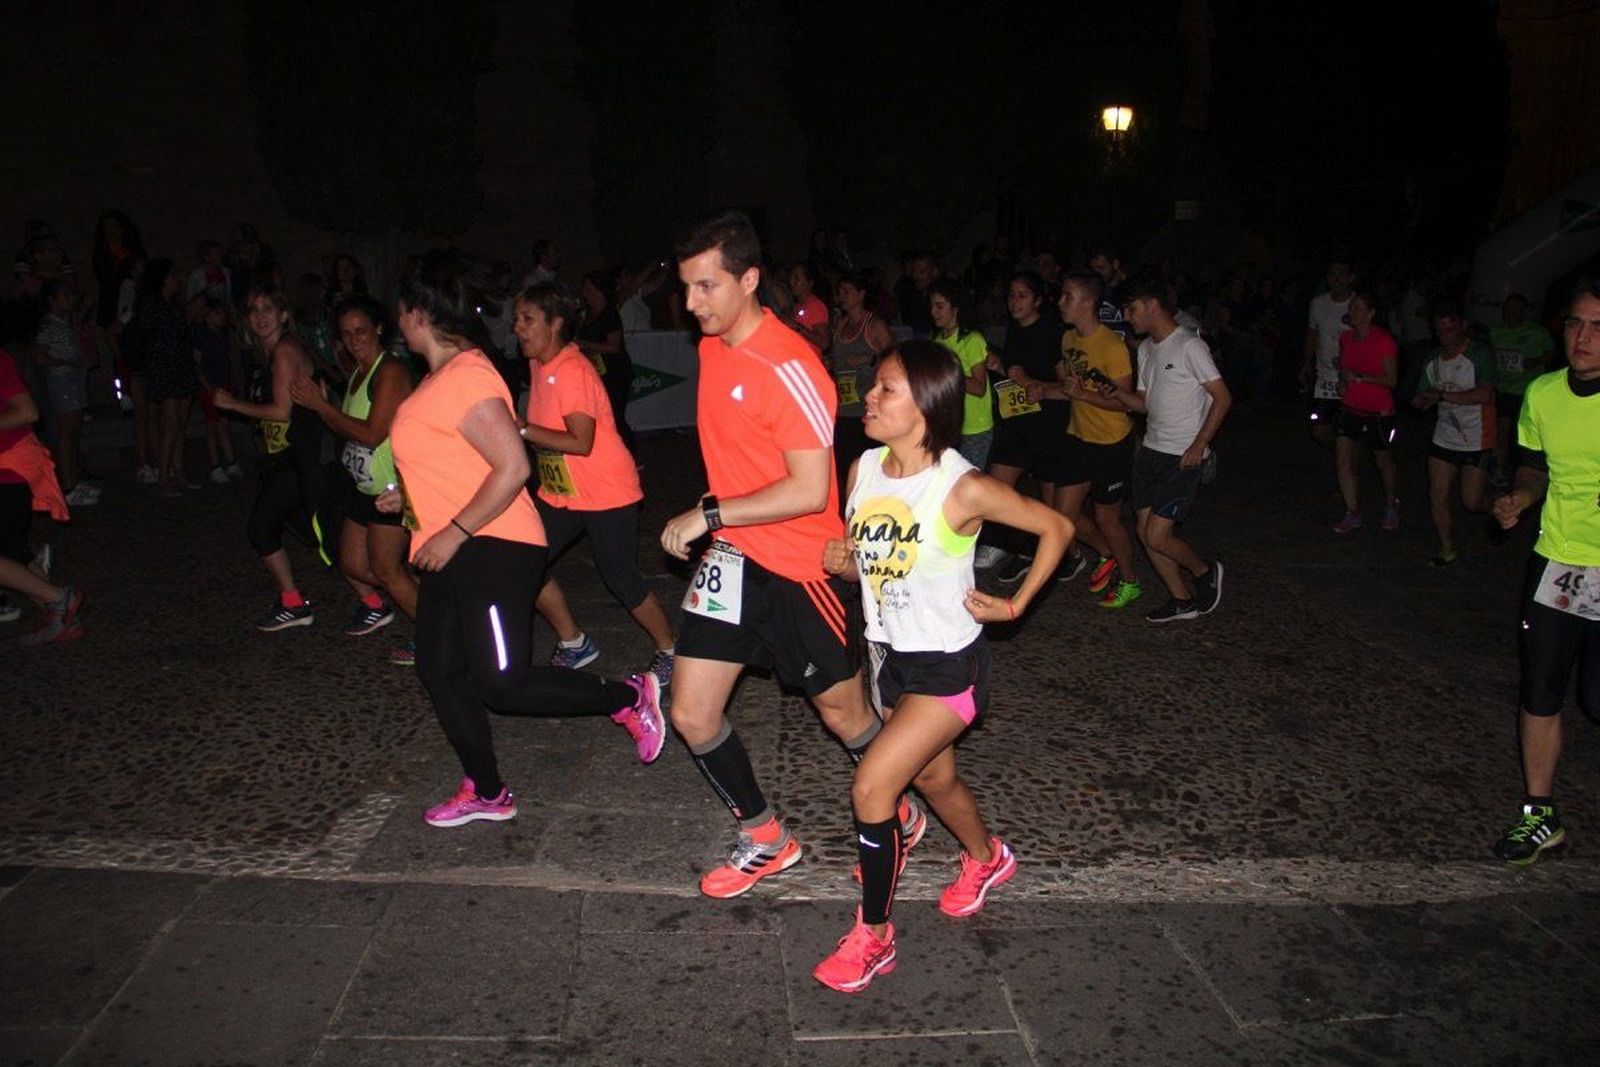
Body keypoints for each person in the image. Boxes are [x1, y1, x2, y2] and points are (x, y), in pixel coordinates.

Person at [661, 210, 923, 899]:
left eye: (707, 287)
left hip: (801, 568)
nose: (693, 305)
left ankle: (902, 800)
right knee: (690, 710)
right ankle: (767, 837)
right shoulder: (710, 348)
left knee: (846, 715)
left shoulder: (790, 362)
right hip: (735, 559)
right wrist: (718, 516)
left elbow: (810, 489)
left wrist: (710, 511)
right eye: (686, 288)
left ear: (749, 279)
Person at [812, 340, 1072, 993]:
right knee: (934, 778)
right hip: (887, 658)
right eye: (873, 386)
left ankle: (873, 936)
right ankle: (987, 857)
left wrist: (1014, 604)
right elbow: (862, 555)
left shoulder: (963, 486)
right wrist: (845, 561)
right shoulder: (864, 467)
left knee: (873, 787)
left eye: (886, 389)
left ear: (926, 406)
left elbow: (1057, 529)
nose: (868, 397)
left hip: (948, 665)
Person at [378, 249, 664, 828]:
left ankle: (630, 696)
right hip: (446, 548)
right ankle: (487, 790)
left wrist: (456, 529)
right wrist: (409, 501)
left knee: (502, 683)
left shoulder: (468, 375)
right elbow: (461, 465)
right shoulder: (443, 379)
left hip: (489, 545)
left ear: (416, 312)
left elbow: (513, 467)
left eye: (398, 311)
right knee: (438, 669)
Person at [1488, 278, 1600, 867]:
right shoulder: (1543, 393)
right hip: (1558, 560)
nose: (1583, 338)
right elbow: (1533, 469)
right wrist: (1519, 500)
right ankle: (1540, 815)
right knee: (1540, 690)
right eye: (1576, 324)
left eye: (1598, 327)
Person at [514, 281, 676, 681]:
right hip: (562, 492)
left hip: (605, 491)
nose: (518, 327)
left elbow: (580, 442)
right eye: (517, 318)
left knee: (620, 577)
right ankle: (574, 642)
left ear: (555, 324)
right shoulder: (538, 363)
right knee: (526, 562)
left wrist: (522, 430)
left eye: (527, 319)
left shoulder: (572, 370)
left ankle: (670, 650)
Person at [288, 296, 418, 639]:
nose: (354, 339)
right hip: (363, 486)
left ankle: (435, 633)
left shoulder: (389, 371)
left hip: (392, 489)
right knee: (352, 563)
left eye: (361, 331)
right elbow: (348, 424)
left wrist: (321, 407)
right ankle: (428, 596)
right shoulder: (358, 371)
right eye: (346, 334)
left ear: (378, 329)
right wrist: (325, 405)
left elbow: (373, 435)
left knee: (388, 571)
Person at [1104, 274, 1231, 623]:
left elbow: (1223, 397)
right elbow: (1145, 404)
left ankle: (1204, 571)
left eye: (1131, 309)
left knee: (1158, 535)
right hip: (1151, 451)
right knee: (1146, 534)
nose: (1127, 317)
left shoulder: (1190, 346)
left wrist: (1200, 443)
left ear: (1152, 305)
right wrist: (1118, 396)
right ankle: (1181, 599)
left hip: (1182, 455)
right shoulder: (1146, 349)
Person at [213, 289, 331, 630]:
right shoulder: (268, 353)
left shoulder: (283, 351)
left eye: (268, 308)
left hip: (301, 456)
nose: (260, 315)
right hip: (289, 457)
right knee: (314, 531)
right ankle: (367, 600)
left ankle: (295, 603)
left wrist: (234, 405)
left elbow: (281, 412)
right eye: (253, 309)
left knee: (264, 526)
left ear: (283, 315)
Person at [1040, 270, 1142, 608]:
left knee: (1106, 518)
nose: (1060, 302)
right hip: (1078, 436)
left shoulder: (1112, 346)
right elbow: (1072, 393)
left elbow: (1124, 401)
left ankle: (1130, 581)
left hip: (1112, 441)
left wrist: (1081, 393)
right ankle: (1104, 554)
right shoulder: (1069, 340)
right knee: (1062, 516)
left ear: (1088, 302)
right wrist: (1043, 390)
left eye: (1067, 296)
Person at [975, 271, 1066, 583]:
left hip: (1047, 424)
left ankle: (1056, 556)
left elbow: (1067, 386)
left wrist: (1033, 383)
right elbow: (1015, 374)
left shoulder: (1052, 331)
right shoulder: (1013, 329)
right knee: (995, 491)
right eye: (1011, 295)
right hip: (1016, 421)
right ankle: (1021, 547)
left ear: (1038, 300)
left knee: (1053, 503)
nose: (1014, 302)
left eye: (1022, 296)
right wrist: (999, 366)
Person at [0, 345, 83, 644]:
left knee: (8, 558)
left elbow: (27, 411)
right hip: (8, 466)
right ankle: (61, 617)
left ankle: (59, 597)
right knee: (10, 558)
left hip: (11, 468)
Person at [1410, 302, 1497, 567]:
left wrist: (1443, 395)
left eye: (1451, 329)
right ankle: (1446, 549)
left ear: (1463, 327)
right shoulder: (1433, 359)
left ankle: (1501, 502)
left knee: (1472, 501)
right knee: (1437, 494)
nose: (1445, 334)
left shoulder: (1479, 354)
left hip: (1477, 437)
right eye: (1440, 330)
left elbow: (1486, 394)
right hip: (1444, 436)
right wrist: (1422, 401)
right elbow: (1420, 394)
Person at [1331, 290, 1400, 533]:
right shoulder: (1346, 338)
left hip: (1378, 411)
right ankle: (1353, 511)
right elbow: (1345, 368)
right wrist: (1343, 381)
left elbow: (1391, 380)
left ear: (1371, 313)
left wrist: (1359, 378)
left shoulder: (1383, 341)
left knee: (1383, 460)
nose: (1354, 312)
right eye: (1352, 308)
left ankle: (1391, 504)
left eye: (1359, 308)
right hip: (1350, 406)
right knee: (1343, 461)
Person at [134, 259, 201, 495]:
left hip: (181, 365)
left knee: (180, 422)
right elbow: (156, 335)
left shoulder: (172, 304)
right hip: (166, 367)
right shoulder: (152, 305)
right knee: (170, 422)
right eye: (173, 276)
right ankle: (163, 474)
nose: (177, 281)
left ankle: (176, 471)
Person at [826, 271, 894, 490]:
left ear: (861, 294)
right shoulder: (839, 325)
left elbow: (895, 358)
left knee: (868, 469)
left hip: (867, 408)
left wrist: (870, 358)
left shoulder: (873, 325)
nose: (842, 296)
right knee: (845, 468)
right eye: (840, 292)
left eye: (847, 291)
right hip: (843, 407)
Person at [34, 281, 97, 507]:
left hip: (74, 380)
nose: (70, 299)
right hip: (62, 381)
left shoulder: (65, 322)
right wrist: (67, 362)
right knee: (66, 434)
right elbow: (40, 357)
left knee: (75, 432)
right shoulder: (48, 325)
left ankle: (74, 480)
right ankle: (67, 486)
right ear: (52, 300)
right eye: (65, 295)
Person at [1489, 293, 1555, 485]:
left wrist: (1535, 361)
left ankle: (1531, 473)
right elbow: (1492, 356)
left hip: (1529, 392)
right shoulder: (1495, 332)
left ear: (1524, 312)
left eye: (1515, 309)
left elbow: (1552, 353)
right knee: (1502, 430)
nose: (1509, 313)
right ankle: (1499, 472)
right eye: (1506, 309)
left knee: (1526, 436)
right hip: (1505, 389)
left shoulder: (1537, 333)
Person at [928, 279, 994, 470]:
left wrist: (948, 373)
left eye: (939, 306)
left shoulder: (972, 340)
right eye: (932, 306)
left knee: (967, 483)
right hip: (947, 424)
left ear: (955, 308)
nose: (933, 312)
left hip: (974, 426)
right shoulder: (937, 339)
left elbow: (979, 387)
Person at [574, 271, 634, 449]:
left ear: (599, 291)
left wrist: (585, 343)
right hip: (597, 372)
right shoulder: (587, 314)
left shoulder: (610, 314)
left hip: (615, 372)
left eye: (588, 288)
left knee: (615, 415)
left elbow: (614, 347)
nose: (584, 292)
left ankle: (630, 453)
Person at [1301, 261, 1353, 449]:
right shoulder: (1318, 303)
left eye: (1341, 274)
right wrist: (1306, 362)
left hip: (1352, 377)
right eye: (1332, 274)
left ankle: (1348, 459)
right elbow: (1312, 334)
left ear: (1350, 277)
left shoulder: (1357, 304)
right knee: (1319, 429)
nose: (1336, 279)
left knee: (1351, 430)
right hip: (1325, 377)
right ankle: (1343, 454)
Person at [192, 298, 242, 483]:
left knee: (224, 424)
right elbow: (197, 364)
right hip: (210, 386)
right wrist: (207, 387)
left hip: (224, 384)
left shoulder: (224, 335)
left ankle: (231, 462)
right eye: (218, 313)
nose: (222, 317)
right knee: (212, 425)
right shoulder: (201, 335)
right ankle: (215, 465)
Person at [783, 262, 830, 354]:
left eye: (797, 279)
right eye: (791, 278)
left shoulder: (815, 305)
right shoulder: (796, 306)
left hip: (810, 363)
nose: (792, 282)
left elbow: (824, 342)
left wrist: (797, 327)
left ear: (810, 283)